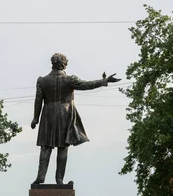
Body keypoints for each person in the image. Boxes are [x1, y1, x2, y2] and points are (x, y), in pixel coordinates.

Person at [31, 53, 120, 184]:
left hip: (48, 115)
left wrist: (35, 118)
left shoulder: (42, 80)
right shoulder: (69, 79)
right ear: (64, 64)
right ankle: (59, 179)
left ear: (52, 64)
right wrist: (104, 81)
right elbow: (86, 85)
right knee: (63, 147)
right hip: (64, 114)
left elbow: (38, 100)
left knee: (45, 147)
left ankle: (40, 177)